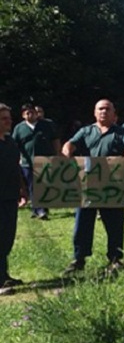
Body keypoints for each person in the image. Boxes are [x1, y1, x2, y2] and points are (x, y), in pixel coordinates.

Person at [62, 99, 124, 273]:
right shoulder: (86, 131)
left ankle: (115, 258)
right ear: (95, 113)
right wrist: (67, 150)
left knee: (115, 224)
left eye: (107, 109)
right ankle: (78, 259)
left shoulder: (120, 132)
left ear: (113, 113)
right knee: (82, 224)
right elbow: (70, 144)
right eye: (100, 109)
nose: (104, 112)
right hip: (87, 186)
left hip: (112, 187)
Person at [12, 103, 60, 220]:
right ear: (23, 115)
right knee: (33, 186)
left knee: (44, 185)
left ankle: (39, 209)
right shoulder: (19, 128)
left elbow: (55, 139)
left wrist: (57, 153)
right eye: (27, 113)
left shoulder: (46, 125)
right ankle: (40, 210)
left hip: (45, 160)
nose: (30, 114)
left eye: (32, 112)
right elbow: (14, 145)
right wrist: (16, 159)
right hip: (27, 162)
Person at [0, 103, 28, 289]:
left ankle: (4, 274)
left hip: (10, 196)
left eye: (9, 117)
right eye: (4, 118)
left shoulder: (10, 142)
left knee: (6, 238)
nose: (9, 121)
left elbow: (16, 167)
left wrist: (22, 189)